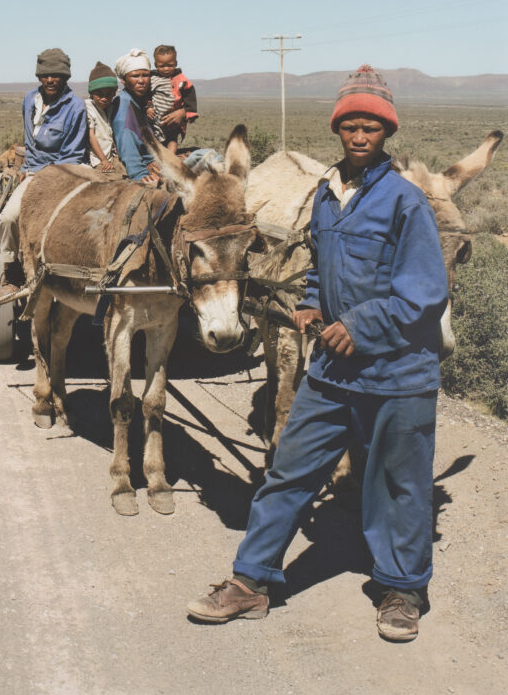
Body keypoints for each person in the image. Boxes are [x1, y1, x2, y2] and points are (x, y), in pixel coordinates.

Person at [187, 65, 448, 643]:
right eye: (350, 126)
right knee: (288, 472)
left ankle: (402, 589)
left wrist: (360, 325)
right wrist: (309, 304)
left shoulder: (406, 202)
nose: (360, 136)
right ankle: (251, 580)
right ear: (338, 130)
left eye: (371, 128)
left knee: (400, 485)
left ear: (387, 132)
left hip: (397, 374)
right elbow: (320, 268)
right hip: (332, 369)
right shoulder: (329, 198)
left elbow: (425, 292)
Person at [0, 48, 88, 296]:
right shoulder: (29, 100)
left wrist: (46, 179)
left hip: (63, 176)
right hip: (33, 173)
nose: (50, 80)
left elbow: (72, 154)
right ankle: (11, 270)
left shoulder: (76, 107)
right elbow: (30, 140)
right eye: (45, 75)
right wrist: (26, 169)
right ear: (39, 76)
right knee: (8, 219)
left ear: (65, 77)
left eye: (56, 75)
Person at [110, 49, 161, 183]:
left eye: (145, 75)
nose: (141, 80)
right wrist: (139, 174)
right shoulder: (124, 106)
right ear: (123, 80)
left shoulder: (138, 101)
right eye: (135, 76)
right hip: (145, 166)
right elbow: (127, 146)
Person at [147, 44, 198, 157]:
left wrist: (187, 112)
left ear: (175, 63)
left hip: (172, 119)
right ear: (155, 65)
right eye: (162, 66)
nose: (166, 69)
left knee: (172, 139)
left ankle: (170, 159)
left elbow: (190, 98)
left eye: (170, 65)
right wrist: (148, 107)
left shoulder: (181, 80)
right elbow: (147, 95)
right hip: (155, 119)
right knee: (154, 139)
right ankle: (157, 158)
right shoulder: (152, 79)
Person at [84, 61, 125, 176]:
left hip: (112, 156)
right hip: (97, 159)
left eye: (108, 94)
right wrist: (103, 160)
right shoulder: (88, 107)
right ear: (92, 93)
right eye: (99, 94)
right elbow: (91, 136)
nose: (104, 98)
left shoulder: (110, 107)